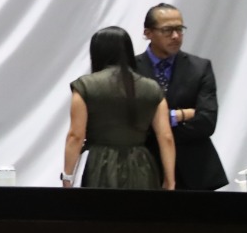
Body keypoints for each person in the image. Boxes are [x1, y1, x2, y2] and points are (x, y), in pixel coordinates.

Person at [62, 27, 174, 189]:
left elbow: (76, 136)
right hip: (141, 165)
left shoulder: (85, 86)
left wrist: (67, 177)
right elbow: (166, 137)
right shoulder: (153, 88)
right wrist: (170, 180)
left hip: (99, 164)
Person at [136, 4, 228, 191]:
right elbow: (131, 124)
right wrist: (179, 116)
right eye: (167, 30)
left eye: (179, 29)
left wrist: (158, 125)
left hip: (195, 171)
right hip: (146, 169)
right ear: (148, 33)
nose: (176, 36)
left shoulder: (199, 68)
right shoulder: (131, 68)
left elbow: (206, 122)